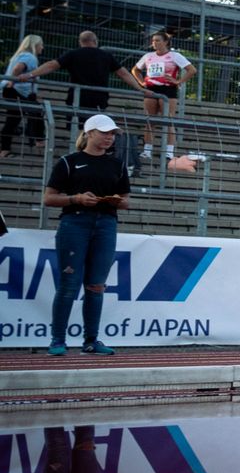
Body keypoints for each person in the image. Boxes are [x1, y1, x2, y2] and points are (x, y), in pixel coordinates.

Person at [42, 115, 132, 356]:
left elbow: (125, 201)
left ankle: (91, 340)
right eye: (104, 132)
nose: (109, 137)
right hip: (75, 222)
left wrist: (114, 201)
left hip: (106, 224)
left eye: (112, 134)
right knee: (69, 284)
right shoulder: (69, 162)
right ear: (89, 132)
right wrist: (76, 199)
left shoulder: (117, 164)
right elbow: (49, 198)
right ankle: (57, 340)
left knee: (96, 286)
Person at [37, 31, 131, 136]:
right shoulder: (106, 56)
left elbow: (52, 65)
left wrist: (30, 75)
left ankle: (79, 145)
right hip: (99, 98)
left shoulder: (73, 54)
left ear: (80, 42)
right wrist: (140, 88)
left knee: (77, 127)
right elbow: (123, 73)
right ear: (95, 41)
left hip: (77, 97)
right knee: (96, 127)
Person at [130, 31, 194, 161]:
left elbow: (192, 70)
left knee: (168, 120)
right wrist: (142, 82)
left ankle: (169, 152)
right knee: (149, 120)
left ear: (166, 42)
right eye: (153, 40)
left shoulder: (175, 55)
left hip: (168, 89)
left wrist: (178, 81)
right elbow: (135, 69)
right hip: (151, 89)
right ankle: (147, 150)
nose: (154, 43)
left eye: (158, 40)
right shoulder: (148, 56)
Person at [1, 35, 46, 157]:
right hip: (17, 90)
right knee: (29, 114)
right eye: (41, 44)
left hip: (15, 90)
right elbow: (18, 69)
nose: (42, 47)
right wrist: (13, 81)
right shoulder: (29, 56)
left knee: (15, 118)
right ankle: (39, 140)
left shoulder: (20, 55)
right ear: (35, 45)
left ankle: (5, 149)